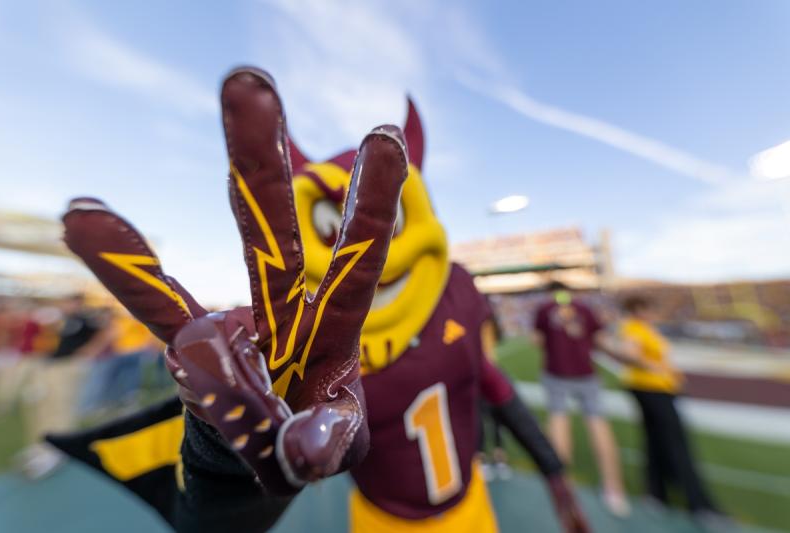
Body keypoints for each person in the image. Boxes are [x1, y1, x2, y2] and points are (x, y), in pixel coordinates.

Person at [50, 67, 588, 533]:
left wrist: (554, 470)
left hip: (474, 506)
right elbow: (210, 524)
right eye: (330, 228)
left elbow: (488, 381)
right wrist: (229, 455)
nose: (374, 255)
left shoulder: (456, 286)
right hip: (383, 520)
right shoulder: (305, 345)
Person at [531, 281, 647, 517]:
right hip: (586, 373)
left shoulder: (544, 309)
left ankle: (562, 489)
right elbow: (601, 341)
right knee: (598, 424)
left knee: (558, 423)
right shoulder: (585, 308)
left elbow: (537, 341)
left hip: (557, 373)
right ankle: (614, 490)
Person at [618, 295, 728, 527]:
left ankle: (656, 494)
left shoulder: (645, 328)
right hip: (651, 390)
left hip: (654, 389)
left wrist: (671, 374)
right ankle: (699, 505)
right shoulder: (634, 328)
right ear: (638, 309)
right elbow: (630, 354)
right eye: (649, 307)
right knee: (676, 444)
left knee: (656, 441)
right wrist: (657, 369)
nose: (653, 312)